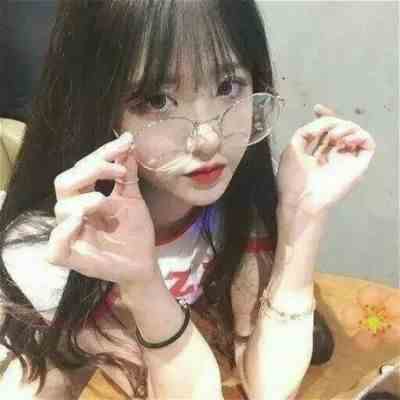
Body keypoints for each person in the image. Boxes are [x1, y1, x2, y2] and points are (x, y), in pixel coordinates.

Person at [0, 1, 376, 399]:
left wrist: (303, 214)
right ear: (97, 107)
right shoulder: (57, 246)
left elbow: (270, 387)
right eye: (157, 100)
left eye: (227, 86)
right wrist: (140, 279)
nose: (208, 139)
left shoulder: (226, 203)